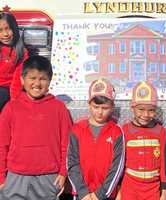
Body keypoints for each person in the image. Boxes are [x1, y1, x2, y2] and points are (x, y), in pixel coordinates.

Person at [0, 55, 72, 200]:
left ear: (50, 81)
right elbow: (2, 144)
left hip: (49, 178)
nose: (37, 83)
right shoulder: (11, 108)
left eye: (43, 79)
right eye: (32, 78)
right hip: (15, 177)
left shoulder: (59, 108)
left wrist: (63, 173)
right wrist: (1, 176)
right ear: (22, 80)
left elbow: (68, 144)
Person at [67, 78, 125, 200]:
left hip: (105, 196)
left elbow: (117, 167)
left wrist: (100, 194)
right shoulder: (77, 129)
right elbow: (72, 163)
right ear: (89, 105)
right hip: (82, 195)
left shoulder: (116, 132)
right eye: (96, 106)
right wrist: (82, 192)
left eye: (105, 108)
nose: (99, 112)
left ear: (112, 107)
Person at [116, 81, 166, 200]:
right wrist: (119, 191)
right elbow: (119, 164)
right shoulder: (124, 130)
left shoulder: (161, 131)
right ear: (132, 107)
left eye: (151, 110)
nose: (146, 114)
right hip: (129, 188)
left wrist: (164, 193)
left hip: (153, 189)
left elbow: (164, 163)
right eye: (141, 109)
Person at [0, 11, 28, 111]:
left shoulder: (21, 52)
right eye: (0, 30)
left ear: (14, 29)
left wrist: (14, 101)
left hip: (6, 89)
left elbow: (17, 80)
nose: (5, 34)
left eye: (8, 29)